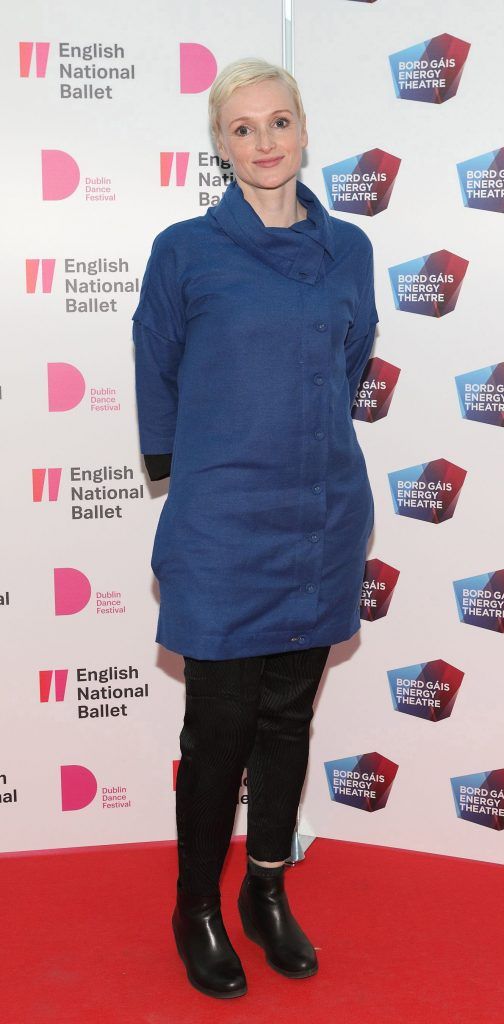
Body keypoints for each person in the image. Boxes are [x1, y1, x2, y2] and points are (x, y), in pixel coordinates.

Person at [132, 57, 379, 1000]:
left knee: (287, 718)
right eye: (244, 128)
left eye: (280, 123)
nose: (265, 142)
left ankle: (265, 892)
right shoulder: (185, 250)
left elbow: (350, 357)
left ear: (304, 130)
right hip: (224, 523)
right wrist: (182, 472)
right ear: (219, 144)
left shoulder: (349, 248)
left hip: (320, 515)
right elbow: (158, 366)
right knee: (220, 728)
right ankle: (196, 906)